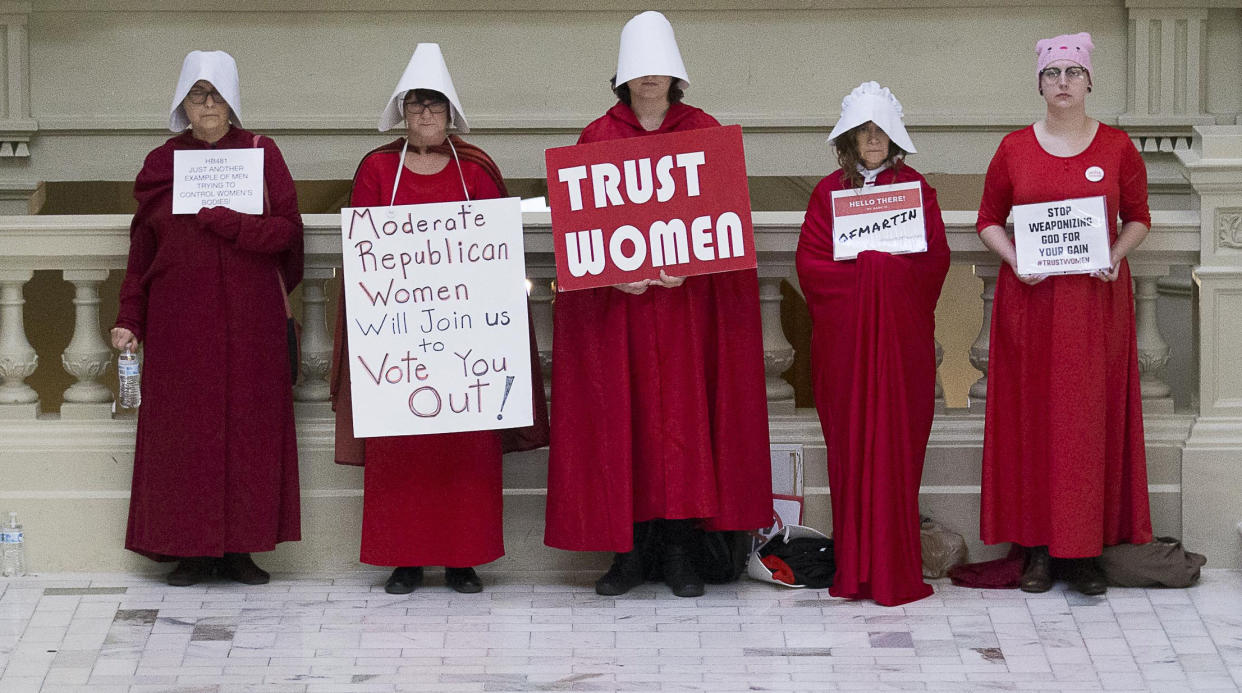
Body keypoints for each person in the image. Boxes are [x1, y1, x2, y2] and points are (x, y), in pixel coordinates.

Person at [544, 11, 772, 598]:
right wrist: (610, 277)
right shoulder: (597, 137)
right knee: (625, 426)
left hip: (684, 314)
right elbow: (581, 235)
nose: (649, 80)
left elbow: (726, 224)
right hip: (618, 317)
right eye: (639, 70)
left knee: (681, 429)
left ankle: (678, 549)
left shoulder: (704, 130)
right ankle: (627, 554)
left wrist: (689, 266)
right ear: (624, 76)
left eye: (659, 70)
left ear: (675, 77)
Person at [329, 44, 548, 595]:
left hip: (465, 347)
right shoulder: (377, 169)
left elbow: (500, 253)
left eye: (435, 106)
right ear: (401, 114)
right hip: (400, 346)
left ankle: (462, 558)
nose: (425, 115)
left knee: (465, 452)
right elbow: (364, 253)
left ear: (451, 113)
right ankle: (404, 558)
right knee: (401, 451)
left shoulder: (477, 171)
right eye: (415, 106)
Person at [112, 50, 302, 586]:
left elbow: (288, 233)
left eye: (215, 94)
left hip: (251, 321)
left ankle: (241, 549)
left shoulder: (263, 154)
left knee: (250, 431)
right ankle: (189, 549)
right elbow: (141, 251)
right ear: (183, 106)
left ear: (232, 102)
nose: (207, 105)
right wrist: (132, 316)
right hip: (180, 323)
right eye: (197, 96)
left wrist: (232, 224)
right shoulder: (161, 163)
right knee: (183, 436)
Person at [977, 32, 1153, 595]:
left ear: (1088, 81)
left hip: (1094, 308)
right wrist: (1016, 260)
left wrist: (1114, 257)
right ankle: (1035, 550)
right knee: (1031, 425)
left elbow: (1139, 217)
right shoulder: (1013, 149)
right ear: (1040, 84)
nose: (1062, 82)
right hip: (1030, 306)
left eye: (1072, 73)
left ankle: (1083, 551)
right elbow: (988, 219)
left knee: (1086, 425)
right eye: (1052, 74)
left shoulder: (1117, 148)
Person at [795, 81, 950, 606]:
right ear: (849, 140)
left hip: (900, 350)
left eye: (881, 131)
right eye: (864, 132)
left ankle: (892, 568)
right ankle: (856, 568)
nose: (873, 139)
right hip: (844, 351)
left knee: (899, 449)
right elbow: (811, 267)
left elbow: (932, 263)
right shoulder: (825, 194)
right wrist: (869, 273)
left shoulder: (918, 191)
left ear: (894, 137)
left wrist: (880, 271)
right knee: (850, 448)